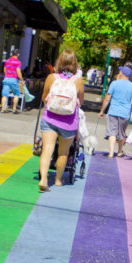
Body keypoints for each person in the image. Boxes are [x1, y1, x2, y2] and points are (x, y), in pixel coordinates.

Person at [37, 49, 84, 193]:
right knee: (63, 152)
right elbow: (80, 102)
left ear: (59, 62)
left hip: (50, 118)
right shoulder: (78, 81)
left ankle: (43, 179)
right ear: (74, 63)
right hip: (68, 123)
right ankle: (58, 179)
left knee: (47, 149)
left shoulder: (51, 78)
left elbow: (44, 97)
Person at [98, 66, 132, 158]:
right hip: (125, 113)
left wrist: (102, 111)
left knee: (111, 132)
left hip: (113, 111)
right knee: (121, 133)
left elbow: (107, 98)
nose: (119, 73)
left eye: (120, 71)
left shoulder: (114, 84)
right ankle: (119, 151)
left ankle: (111, 152)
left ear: (122, 74)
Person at [1, 49, 24, 113]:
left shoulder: (7, 61)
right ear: (18, 54)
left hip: (6, 79)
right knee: (16, 93)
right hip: (14, 79)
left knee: (4, 94)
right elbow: (19, 73)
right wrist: (22, 80)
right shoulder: (18, 62)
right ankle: (14, 109)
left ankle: (3, 108)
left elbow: (5, 71)